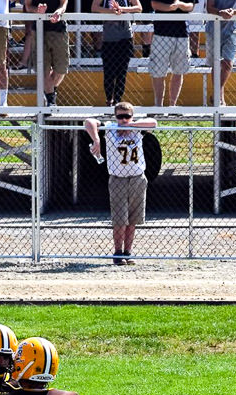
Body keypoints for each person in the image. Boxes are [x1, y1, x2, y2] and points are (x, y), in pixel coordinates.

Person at [85, 102, 156, 265]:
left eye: (127, 116)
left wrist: (133, 125)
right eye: (120, 117)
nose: (123, 120)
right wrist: (96, 140)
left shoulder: (137, 128)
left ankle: (128, 252)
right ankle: (117, 253)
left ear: (132, 116)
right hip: (118, 178)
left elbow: (154, 122)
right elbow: (89, 121)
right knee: (119, 219)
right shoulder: (110, 128)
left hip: (137, 177)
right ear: (115, 117)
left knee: (133, 219)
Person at [91, 0, 139, 107]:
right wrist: (110, 11)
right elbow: (94, 7)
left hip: (125, 38)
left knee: (121, 73)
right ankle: (109, 101)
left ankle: (117, 101)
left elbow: (138, 8)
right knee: (109, 73)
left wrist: (122, 9)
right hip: (109, 39)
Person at [21, 0, 68, 107]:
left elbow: (63, 4)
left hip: (59, 29)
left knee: (61, 68)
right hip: (38, 29)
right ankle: (51, 99)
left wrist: (58, 12)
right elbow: (28, 7)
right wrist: (37, 11)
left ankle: (50, 89)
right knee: (43, 69)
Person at [205, 0, 236, 106]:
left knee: (228, 63)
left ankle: (217, 95)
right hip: (213, 28)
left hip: (232, 29)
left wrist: (234, 12)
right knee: (216, 64)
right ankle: (218, 97)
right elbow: (209, 8)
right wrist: (221, 12)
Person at [148, 0, 191, 106]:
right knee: (158, 71)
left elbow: (190, 6)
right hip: (161, 33)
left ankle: (173, 105)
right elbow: (155, 4)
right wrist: (170, 7)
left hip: (182, 34)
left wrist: (180, 4)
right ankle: (158, 105)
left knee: (178, 71)